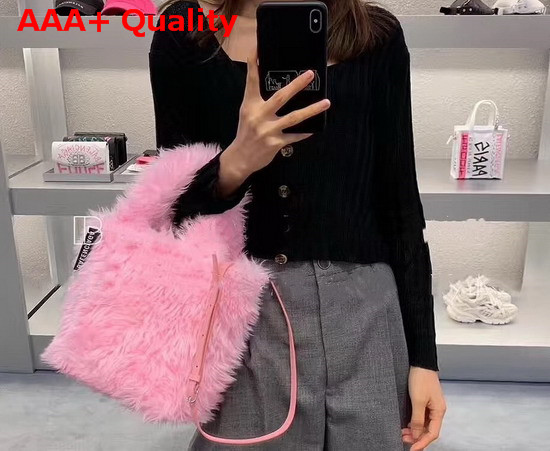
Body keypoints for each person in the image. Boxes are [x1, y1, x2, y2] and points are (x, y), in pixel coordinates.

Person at [149, 1, 447, 450]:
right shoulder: (185, 29)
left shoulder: (375, 34)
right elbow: (175, 208)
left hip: (365, 315)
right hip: (245, 316)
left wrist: (424, 358)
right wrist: (237, 161)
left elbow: (400, 204)